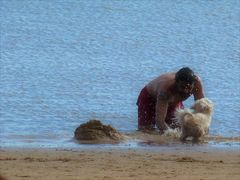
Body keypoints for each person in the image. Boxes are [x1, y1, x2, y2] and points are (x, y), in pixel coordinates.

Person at [136, 67, 204, 132]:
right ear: (176, 82)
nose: (185, 91)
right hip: (149, 99)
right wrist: (172, 135)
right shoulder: (166, 91)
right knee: (146, 130)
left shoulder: (197, 84)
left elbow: (202, 109)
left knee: (178, 126)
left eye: (189, 88)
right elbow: (160, 122)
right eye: (182, 87)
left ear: (194, 83)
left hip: (173, 101)